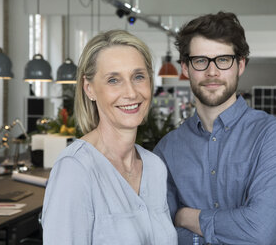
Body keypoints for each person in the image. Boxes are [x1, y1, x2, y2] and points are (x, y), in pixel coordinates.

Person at [153, 12, 276, 245]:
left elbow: (260, 231)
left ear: (240, 65)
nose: (212, 72)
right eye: (200, 60)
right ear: (185, 68)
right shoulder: (166, 150)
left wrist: (186, 216)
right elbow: (162, 234)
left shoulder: (274, 136)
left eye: (223, 60)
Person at [42, 30, 177, 244]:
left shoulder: (154, 167)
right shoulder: (76, 169)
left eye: (138, 77)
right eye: (114, 80)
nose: (131, 93)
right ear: (89, 89)